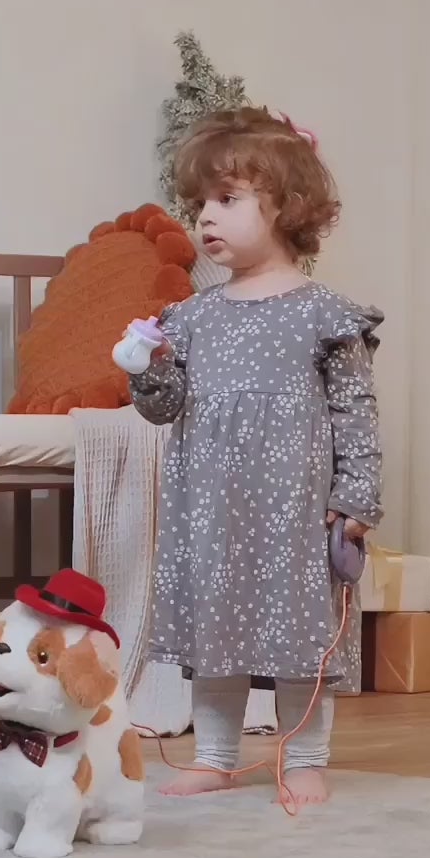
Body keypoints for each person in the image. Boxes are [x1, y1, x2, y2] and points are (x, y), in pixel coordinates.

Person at [122, 106, 383, 811]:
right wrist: (145, 367)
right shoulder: (193, 317)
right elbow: (161, 407)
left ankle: (303, 757)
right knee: (217, 632)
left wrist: (357, 496)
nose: (205, 217)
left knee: (302, 635)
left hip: (293, 509)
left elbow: (355, 411)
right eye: (200, 202)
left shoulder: (324, 313)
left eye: (227, 199)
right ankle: (215, 756)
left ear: (288, 207)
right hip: (209, 509)